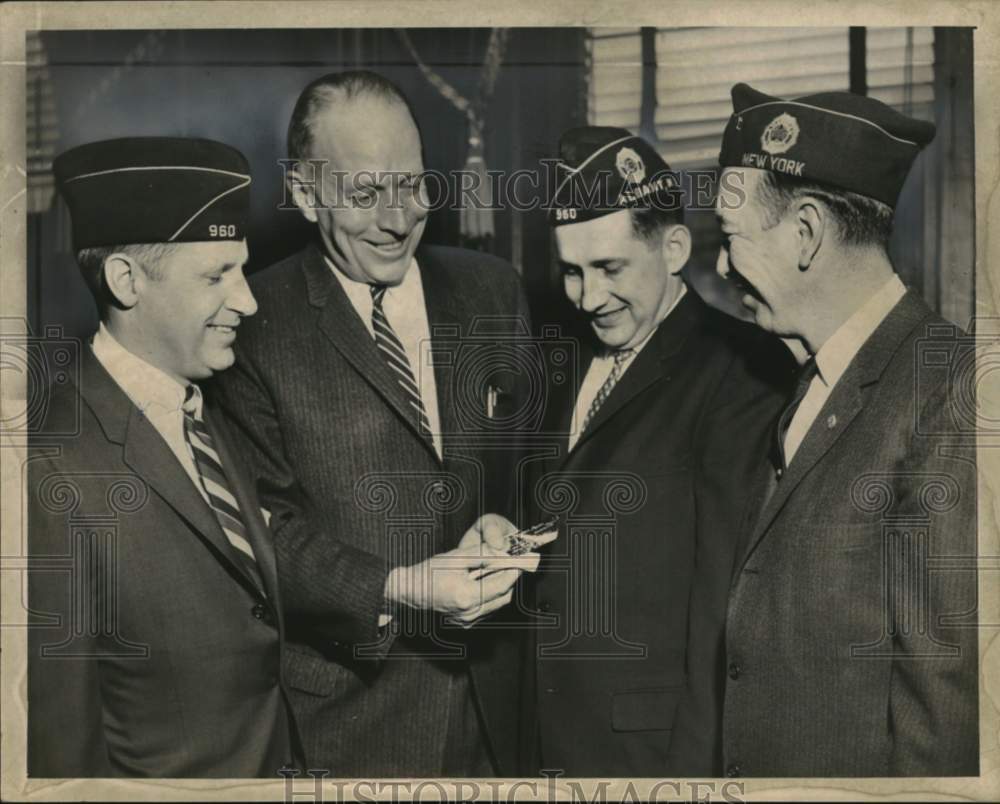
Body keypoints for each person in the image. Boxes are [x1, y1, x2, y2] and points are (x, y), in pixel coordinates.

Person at [213, 70, 530, 777]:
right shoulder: (249, 325)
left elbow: (531, 467)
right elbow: (262, 536)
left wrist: (503, 521)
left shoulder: (492, 290)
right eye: (363, 194)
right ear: (301, 191)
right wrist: (400, 586)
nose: (397, 219)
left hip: (501, 714)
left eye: (413, 185)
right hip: (351, 731)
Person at [715, 83, 979, 777]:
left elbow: (941, 710)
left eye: (731, 238)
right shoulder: (813, 374)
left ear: (805, 235)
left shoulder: (950, 390)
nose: (720, 265)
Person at [521, 126, 792, 776]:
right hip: (540, 739)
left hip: (650, 755)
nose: (588, 299)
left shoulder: (743, 371)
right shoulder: (560, 356)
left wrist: (692, 782)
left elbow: (722, 611)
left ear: (674, 247)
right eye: (571, 272)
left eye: (610, 268)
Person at [28, 137, 299, 777]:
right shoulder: (48, 471)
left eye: (242, 268)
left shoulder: (205, 407)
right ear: (126, 281)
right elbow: (61, 753)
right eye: (215, 276)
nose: (249, 300)